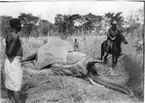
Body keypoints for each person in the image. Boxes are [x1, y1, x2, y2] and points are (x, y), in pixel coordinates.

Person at [4, 18, 23, 103]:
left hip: (9, 62)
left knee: (10, 84)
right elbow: (9, 52)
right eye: (19, 25)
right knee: (16, 87)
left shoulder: (9, 35)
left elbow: (7, 51)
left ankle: (10, 101)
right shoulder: (15, 36)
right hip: (14, 62)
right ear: (17, 26)